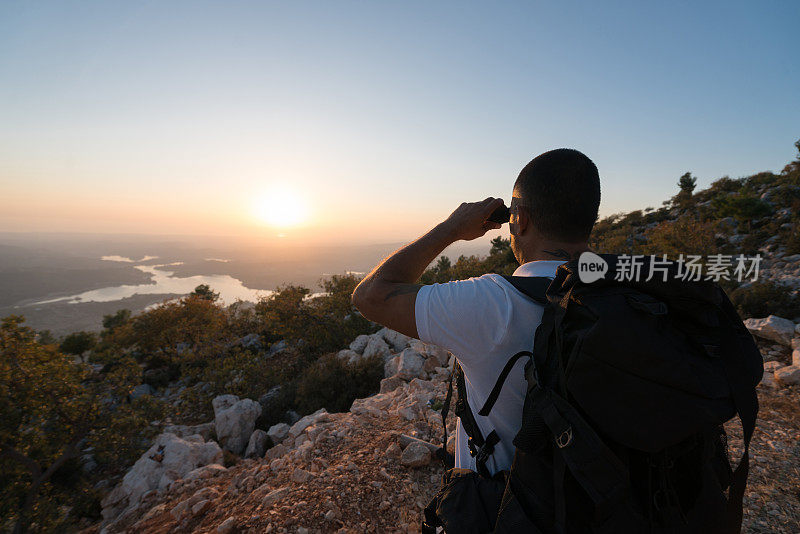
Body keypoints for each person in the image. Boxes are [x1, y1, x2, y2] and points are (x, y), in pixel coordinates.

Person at [351, 148, 601, 475]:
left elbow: (370, 295)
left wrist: (452, 227)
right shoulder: (630, 292)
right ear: (589, 220)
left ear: (520, 219)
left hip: (510, 511)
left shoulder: (492, 305)